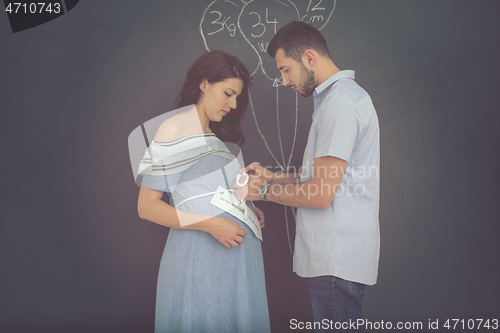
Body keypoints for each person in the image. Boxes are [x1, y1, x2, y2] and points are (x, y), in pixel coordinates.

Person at [235, 21, 380, 332]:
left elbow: (319, 194)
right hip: (337, 262)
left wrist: (260, 190)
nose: (284, 80)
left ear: (310, 58)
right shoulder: (338, 100)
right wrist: (272, 176)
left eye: (286, 69)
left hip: (334, 262)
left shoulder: (340, 105)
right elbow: (318, 178)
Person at [137, 50, 271, 333]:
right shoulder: (173, 129)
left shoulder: (221, 141)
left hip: (240, 267)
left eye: (237, 97)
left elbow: (215, 194)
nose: (233, 105)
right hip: (201, 261)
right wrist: (212, 224)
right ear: (204, 83)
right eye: (228, 93)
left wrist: (249, 208)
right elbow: (147, 206)